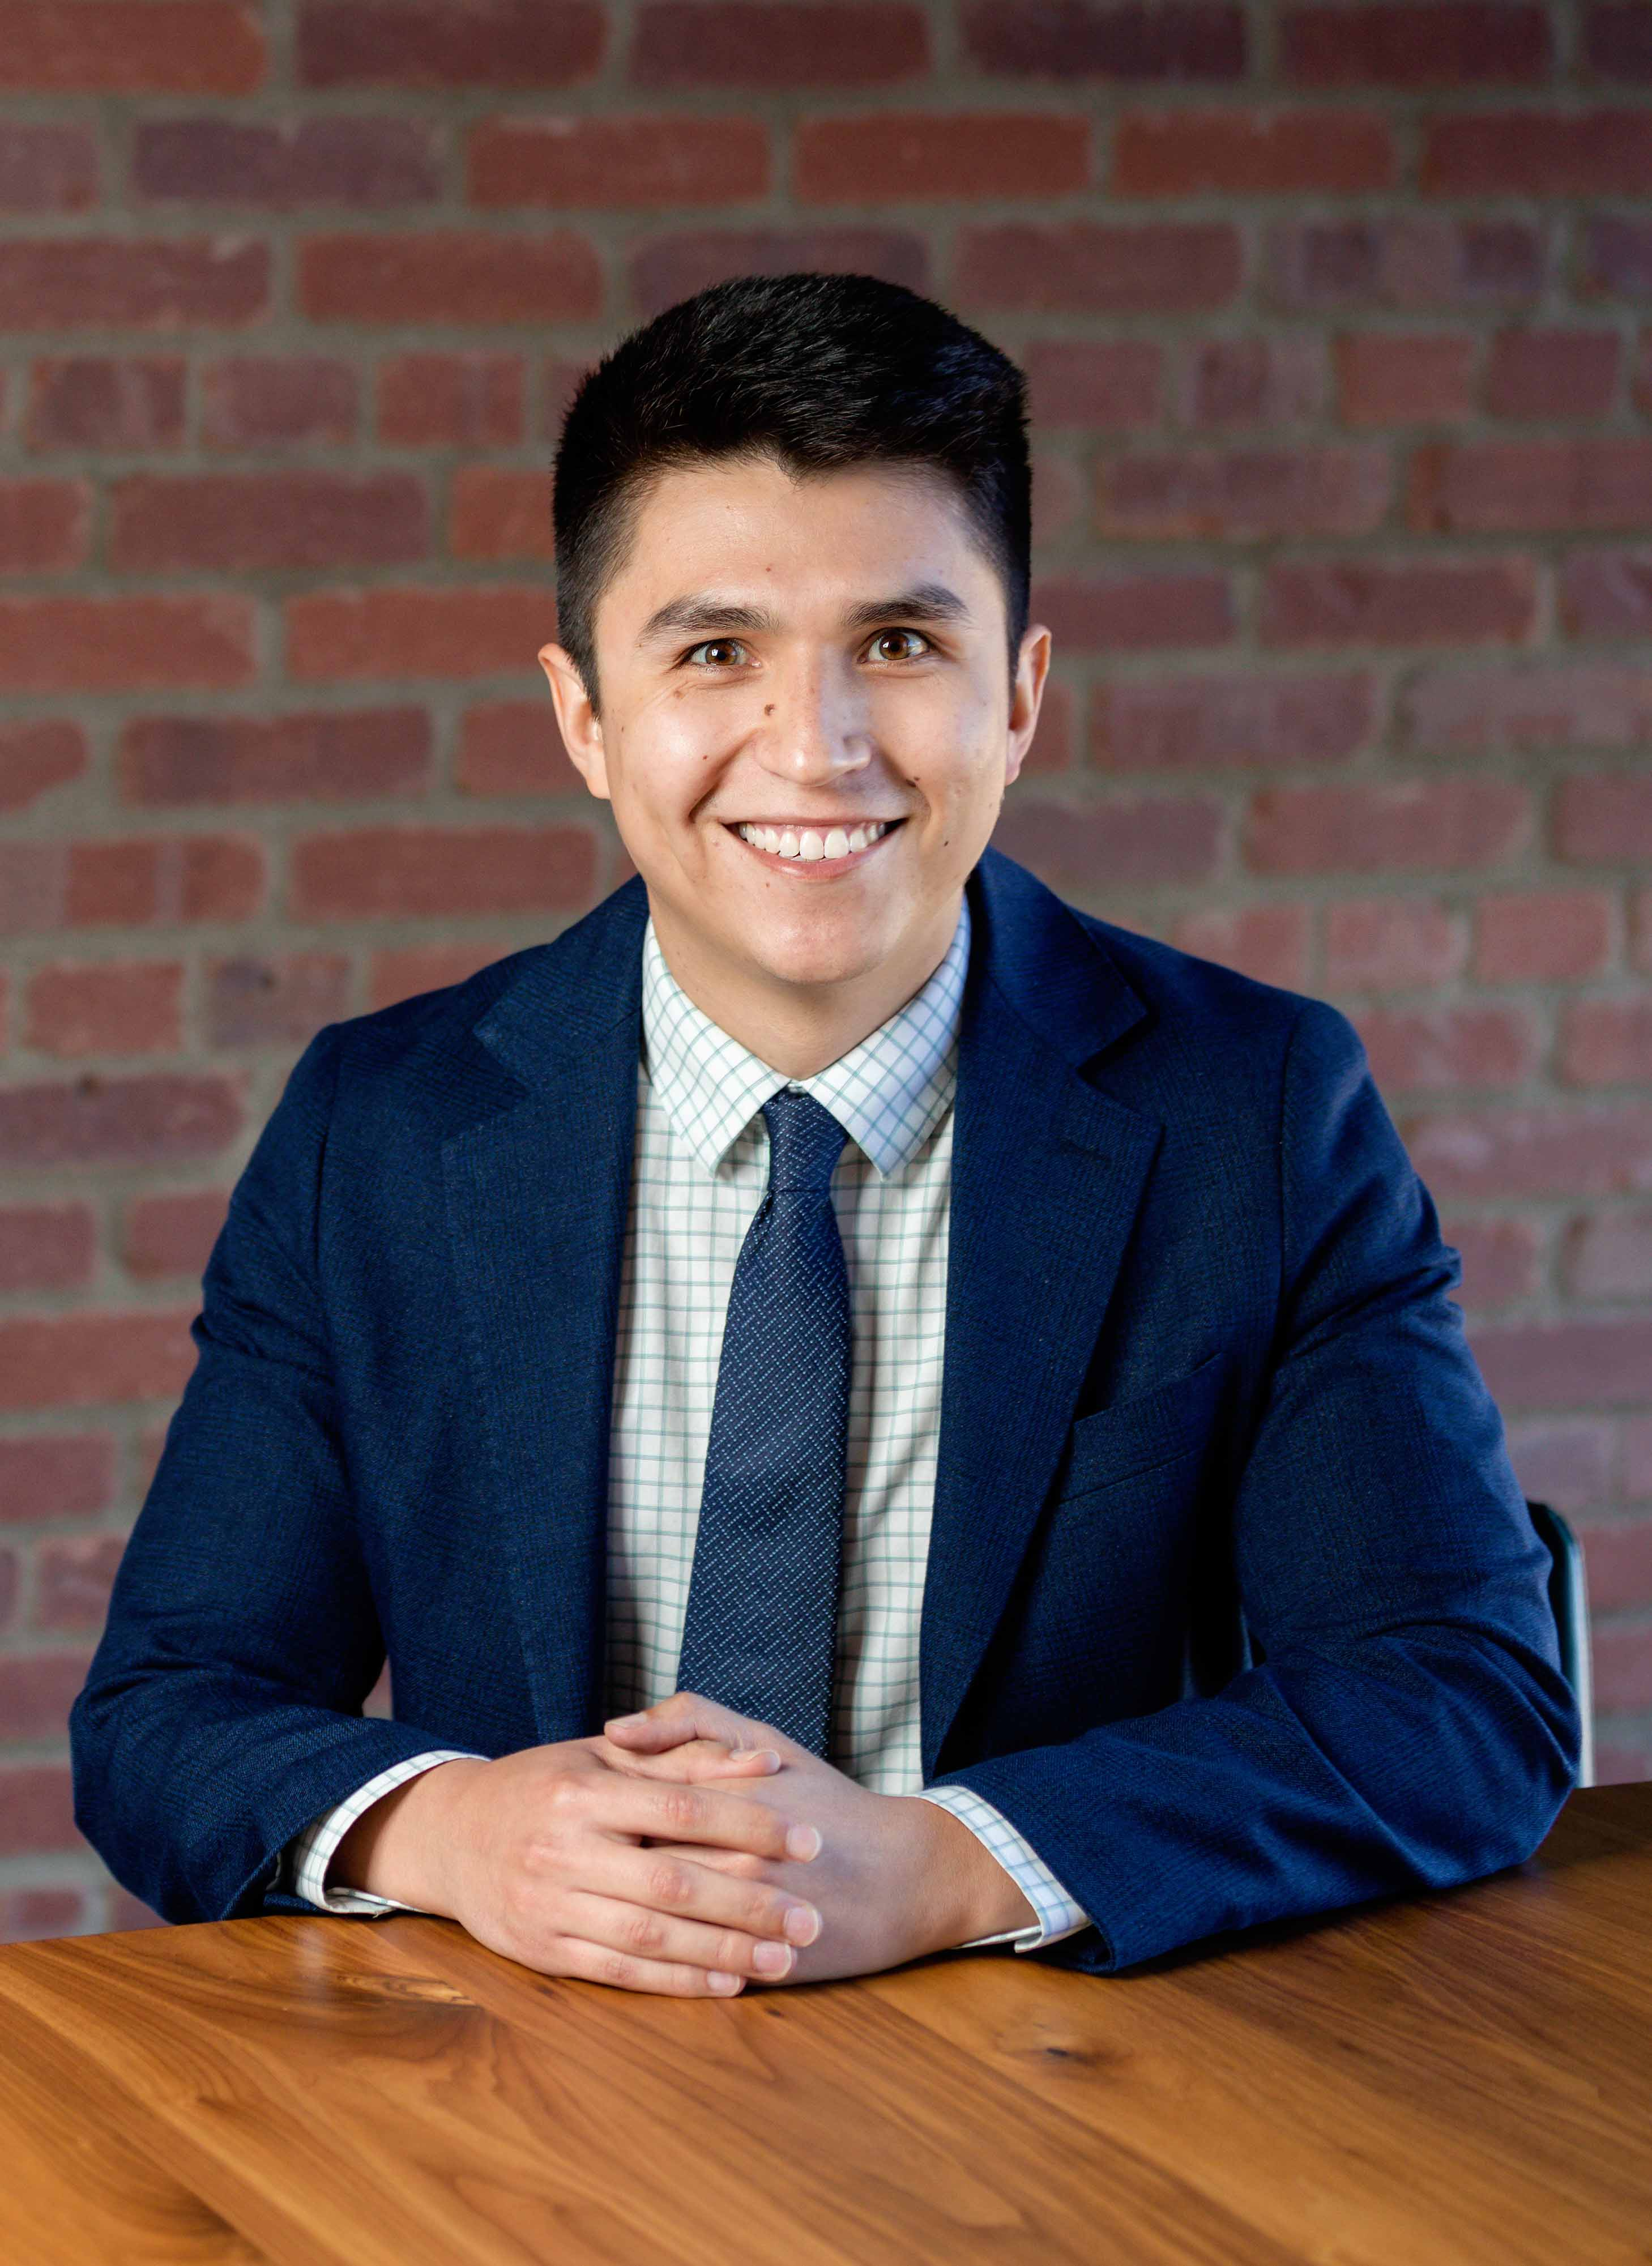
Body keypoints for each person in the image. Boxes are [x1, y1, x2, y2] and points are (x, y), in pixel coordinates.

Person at [72, 274, 1579, 1996]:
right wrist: (463, 1834)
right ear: (585, 717)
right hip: (526, 2107)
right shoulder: (385, 1129)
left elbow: (1457, 1694)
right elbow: (166, 1715)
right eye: (716, 651)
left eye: (899, 643)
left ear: (1017, 695)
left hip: (1068, 2101)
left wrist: (942, 1866)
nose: (817, 745)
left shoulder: (1252, 1110)